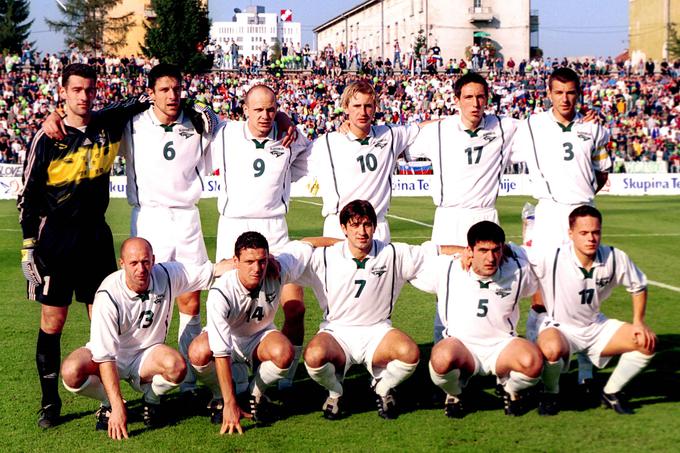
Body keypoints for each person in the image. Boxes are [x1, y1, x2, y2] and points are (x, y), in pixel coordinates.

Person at [17, 63, 150, 428]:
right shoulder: (46, 137)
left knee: (103, 321)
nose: (84, 96)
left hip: (95, 237)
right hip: (56, 238)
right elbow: (27, 196)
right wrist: (29, 248)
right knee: (52, 321)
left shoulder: (108, 122)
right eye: (77, 90)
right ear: (63, 92)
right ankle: (49, 403)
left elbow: (145, 97)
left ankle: (109, 398)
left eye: (90, 90)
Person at [60, 238, 230, 439]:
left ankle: (151, 399)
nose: (141, 269)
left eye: (145, 262)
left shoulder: (166, 274)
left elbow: (212, 271)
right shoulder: (107, 295)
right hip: (114, 357)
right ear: (121, 264)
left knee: (177, 367)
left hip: (147, 355)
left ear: (153, 260)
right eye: (133, 263)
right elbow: (105, 356)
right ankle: (109, 403)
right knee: (71, 372)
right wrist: (116, 407)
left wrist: (248, 263)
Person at [512, 67, 612, 387]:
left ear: (578, 93)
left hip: (583, 212)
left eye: (571, 92)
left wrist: (583, 199)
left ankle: (585, 370)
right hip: (549, 213)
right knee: (540, 290)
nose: (565, 98)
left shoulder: (594, 128)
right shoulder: (531, 125)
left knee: (584, 290)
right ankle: (535, 360)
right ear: (549, 93)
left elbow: (602, 172)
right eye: (559, 92)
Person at [406, 72, 518, 343]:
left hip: (485, 215)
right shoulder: (438, 131)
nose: (475, 103)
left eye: (480, 97)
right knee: (446, 288)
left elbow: (545, 129)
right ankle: (442, 355)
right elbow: (401, 140)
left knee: (491, 285)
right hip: (449, 218)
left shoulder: (505, 127)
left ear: (488, 99)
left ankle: (493, 346)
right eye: (468, 97)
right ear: (457, 100)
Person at [211, 84, 310, 390]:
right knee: (228, 307)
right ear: (245, 110)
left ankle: (285, 378)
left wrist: (286, 120)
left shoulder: (290, 137)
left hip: (275, 229)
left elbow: (304, 158)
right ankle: (232, 377)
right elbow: (196, 113)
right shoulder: (224, 134)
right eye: (258, 110)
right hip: (233, 229)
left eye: (271, 108)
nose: (265, 116)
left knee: (294, 305)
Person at [298, 200, 425, 420]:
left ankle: (382, 388)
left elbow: (435, 252)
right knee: (313, 356)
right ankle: (336, 392)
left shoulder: (392, 253)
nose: (362, 231)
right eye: (355, 225)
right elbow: (288, 264)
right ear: (343, 229)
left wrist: (467, 254)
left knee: (410, 354)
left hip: (377, 331)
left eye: (367, 225)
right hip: (337, 332)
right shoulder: (325, 257)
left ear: (375, 227)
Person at [528, 206, 656, 415]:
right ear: (570, 234)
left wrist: (638, 321)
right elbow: (510, 252)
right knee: (550, 349)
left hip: (596, 325)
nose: (591, 238)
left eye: (596, 232)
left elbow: (638, 286)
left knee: (646, 342)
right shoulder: (551, 256)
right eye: (584, 233)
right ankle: (551, 392)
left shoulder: (614, 256)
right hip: (561, 328)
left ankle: (611, 392)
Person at [188, 232, 315, 434]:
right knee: (197, 352)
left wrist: (345, 242)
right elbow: (221, 352)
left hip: (259, 337)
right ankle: (220, 396)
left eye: (262, 261)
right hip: (229, 338)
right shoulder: (221, 292)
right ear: (235, 261)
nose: (257, 269)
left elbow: (309, 243)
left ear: (269, 257)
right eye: (249, 262)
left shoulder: (279, 268)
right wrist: (230, 404)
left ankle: (253, 394)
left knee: (284, 353)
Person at [411, 221, 541, 417]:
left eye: (496, 250)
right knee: (440, 359)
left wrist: (512, 249)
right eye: (483, 250)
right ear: (470, 250)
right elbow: (416, 256)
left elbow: (543, 262)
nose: (491, 258)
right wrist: (456, 251)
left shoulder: (517, 270)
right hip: (461, 347)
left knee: (533, 362)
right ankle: (455, 393)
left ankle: (510, 388)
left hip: (501, 346)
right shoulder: (448, 268)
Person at [309, 80, 422, 242]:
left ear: (375, 108)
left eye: (368, 106)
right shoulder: (327, 142)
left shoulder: (390, 134)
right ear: (346, 108)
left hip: (377, 225)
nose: (363, 112)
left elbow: (425, 128)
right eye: (356, 106)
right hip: (339, 226)